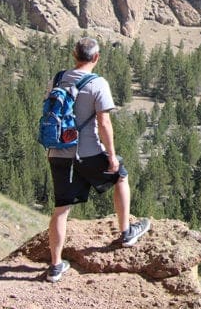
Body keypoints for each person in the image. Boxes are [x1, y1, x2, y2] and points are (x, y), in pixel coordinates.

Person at [45, 36, 150, 282]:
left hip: (58, 151)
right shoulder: (97, 83)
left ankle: (55, 266)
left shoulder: (58, 78)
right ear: (96, 57)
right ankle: (126, 232)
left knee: (61, 208)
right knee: (120, 176)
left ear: (74, 55)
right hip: (89, 151)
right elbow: (104, 123)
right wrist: (111, 156)